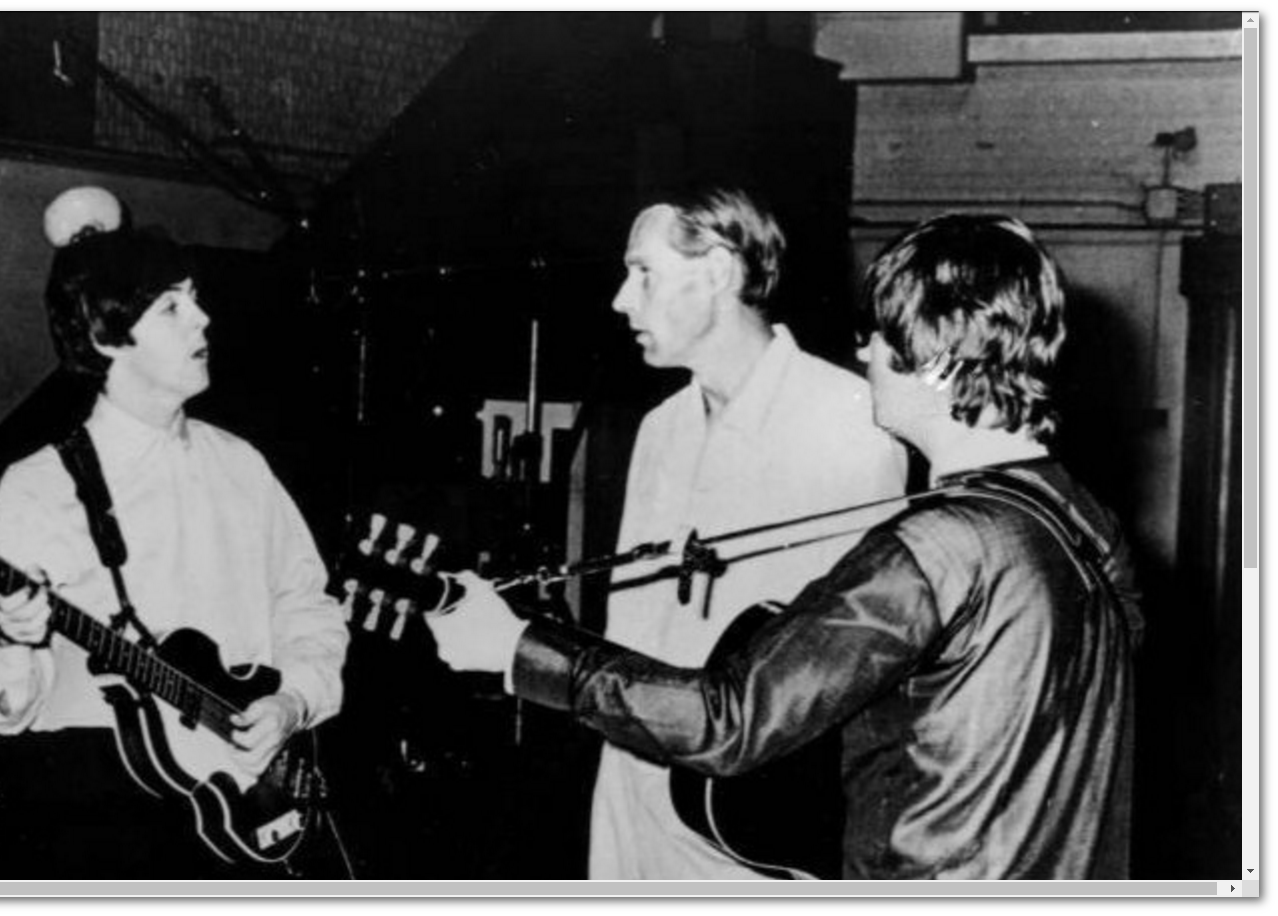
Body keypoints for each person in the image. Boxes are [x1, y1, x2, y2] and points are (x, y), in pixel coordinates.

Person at [430, 213, 1142, 879]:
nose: (864, 352)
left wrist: (518, 650)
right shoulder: (1085, 524)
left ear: (939, 357)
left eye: (880, 334)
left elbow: (729, 721)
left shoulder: (932, 549)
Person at [497, 187, 915, 879]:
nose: (621, 300)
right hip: (633, 810)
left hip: (749, 832)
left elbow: (849, 678)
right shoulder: (661, 429)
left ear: (719, 270)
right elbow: (630, 635)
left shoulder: (847, 423)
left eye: (644, 273)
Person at [0, 218, 349, 877]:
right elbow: (6, 710)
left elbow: (307, 605)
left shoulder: (241, 463)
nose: (203, 319)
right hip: (107, 825)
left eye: (194, 298)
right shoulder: (40, 487)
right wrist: (11, 636)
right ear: (106, 337)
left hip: (251, 809)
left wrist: (293, 702)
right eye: (172, 307)